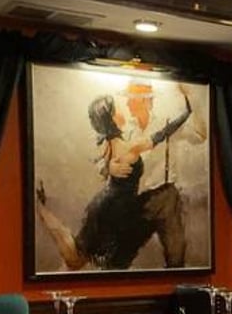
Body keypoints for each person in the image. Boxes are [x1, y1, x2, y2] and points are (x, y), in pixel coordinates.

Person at [36, 91, 193, 270]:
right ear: (112, 119)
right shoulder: (130, 147)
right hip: (112, 209)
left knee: (78, 257)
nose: (122, 110)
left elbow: (100, 163)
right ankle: (40, 208)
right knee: (78, 258)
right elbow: (162, 134)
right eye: (117, 110)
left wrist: (108, 167)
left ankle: (41, 209)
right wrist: (186, 114)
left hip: (110, 205)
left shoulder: (107, 146)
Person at [109, 80, 208, 267]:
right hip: (136, 199)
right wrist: (110, 168)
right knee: (120, 256)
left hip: (165, 196)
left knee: (176, 256)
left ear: (144, 101)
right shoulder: (125, 130)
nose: (128, 103)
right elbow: (108, 159)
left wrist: (192, 98)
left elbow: (200, 135)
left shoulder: (166, 123)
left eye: (132, 99)